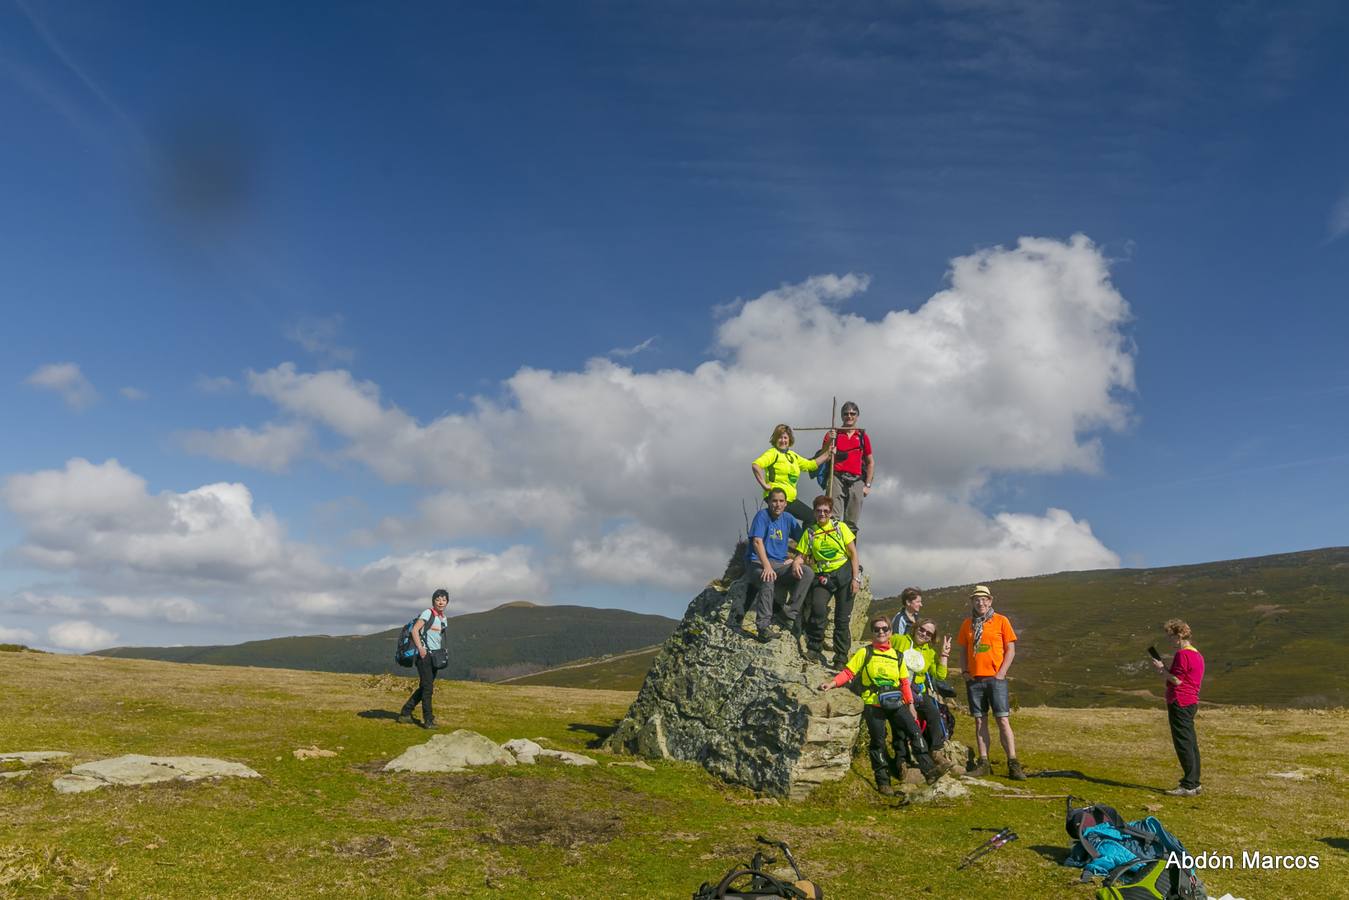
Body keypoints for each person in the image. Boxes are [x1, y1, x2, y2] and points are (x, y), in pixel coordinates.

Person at [818, 615, 949, 794]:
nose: (881, 632)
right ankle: (883, 782)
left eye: (885, 629)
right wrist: (832, 684)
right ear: (872, 632)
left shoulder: (897, 655)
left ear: (890, 633)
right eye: (877, 629)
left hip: (897, 703)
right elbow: (848, 673)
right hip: (873, 704)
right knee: (878, 742)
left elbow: (904, 682)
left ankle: (929, 772)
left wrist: (910, 705)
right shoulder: (865, 652)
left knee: (914, 731)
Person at [956, 585, 1025, 780]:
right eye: (977, 599)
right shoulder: (967, 624)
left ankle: (1013, 763)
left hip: (996, 680)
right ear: (972, 602)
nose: (981, 603)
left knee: (1003, 720)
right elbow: (962, 651)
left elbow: (1010, 649)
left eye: (984, 599)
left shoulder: (1001, 621)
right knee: (980, 721)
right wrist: (965, 672)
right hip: (975, 680)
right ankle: (984, 762)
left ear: (990, 600)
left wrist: (1001, 674)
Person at [788, 494, 860, 670]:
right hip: (823, 576)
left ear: (830, 512)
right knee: (818, 609)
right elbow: (801, 555)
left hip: (843, 574)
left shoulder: (840, 528)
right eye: (819, 511)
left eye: (826, 511)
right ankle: (814, 648)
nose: (822, 514)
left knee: (842, 619)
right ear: (814, 512)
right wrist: (797, 562)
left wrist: (855, 578)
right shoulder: (810, 532)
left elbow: (853, 554)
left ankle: (841, 658)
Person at [729, 488, 811, 640]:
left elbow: (804, 541)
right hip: (757, 563)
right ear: (768, 502)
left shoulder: (788, 519)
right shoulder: (762, 516)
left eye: (781, 501)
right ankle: (763, 626)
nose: (777, 504)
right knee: (768, 578)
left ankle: (788, 614)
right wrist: (766, 566)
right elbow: (757, 541)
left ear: (786, 503)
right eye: (774, 501)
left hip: (780, 564)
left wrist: (797, 560)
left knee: (807, 573)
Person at [1153, 618, 1205, 797]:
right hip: (1190, 701)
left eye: (1171, 637)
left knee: (1183, 742)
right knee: (1190, 742)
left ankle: (1189, 785)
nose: (1170, 641)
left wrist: (1161, 670)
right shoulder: (1197, 654)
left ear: (1180, 635)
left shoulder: (1182, 655)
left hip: (1180, 701)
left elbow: (1176, 680)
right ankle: (1194, 782)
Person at [752, 424, 830, 525]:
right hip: (777, 498)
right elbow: (756, 465)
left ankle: (804, 540)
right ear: (775, 439)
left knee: (812, 517)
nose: (783, 440)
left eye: (785, 437)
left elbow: (810, 465)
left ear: (789, 440)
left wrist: (827, 453)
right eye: (780, 437)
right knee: (808, 518)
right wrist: (764, 485)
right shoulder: (772, 453)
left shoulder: (793, 456)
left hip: (790, 499)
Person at [398, 589, 450, 729]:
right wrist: (421, 649)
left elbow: (437, 637)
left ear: (447, 602)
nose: (441, 602)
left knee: (424, 687)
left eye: (444, 600)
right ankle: (428, 720)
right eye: (438, 599)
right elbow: (415, 630)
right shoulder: (428, 613)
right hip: (424, 656)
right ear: (433, 601)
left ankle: (405, 712)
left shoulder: (443, 618)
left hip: (435, 656)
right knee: (428, 689)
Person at [819, 400, 873, 534]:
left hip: (857, 481)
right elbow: (822, 456)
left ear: (857, 416)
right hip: (836, 477)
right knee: (833, 518)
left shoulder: (862, 436)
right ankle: (833, 552)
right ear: (841, 416)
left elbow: (870, 462)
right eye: (846, 413)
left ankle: (850, 554)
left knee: (852, 523)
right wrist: (830, 442)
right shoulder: (833, 434)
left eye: (852, 413)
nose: (849, 416)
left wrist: (867, 485)